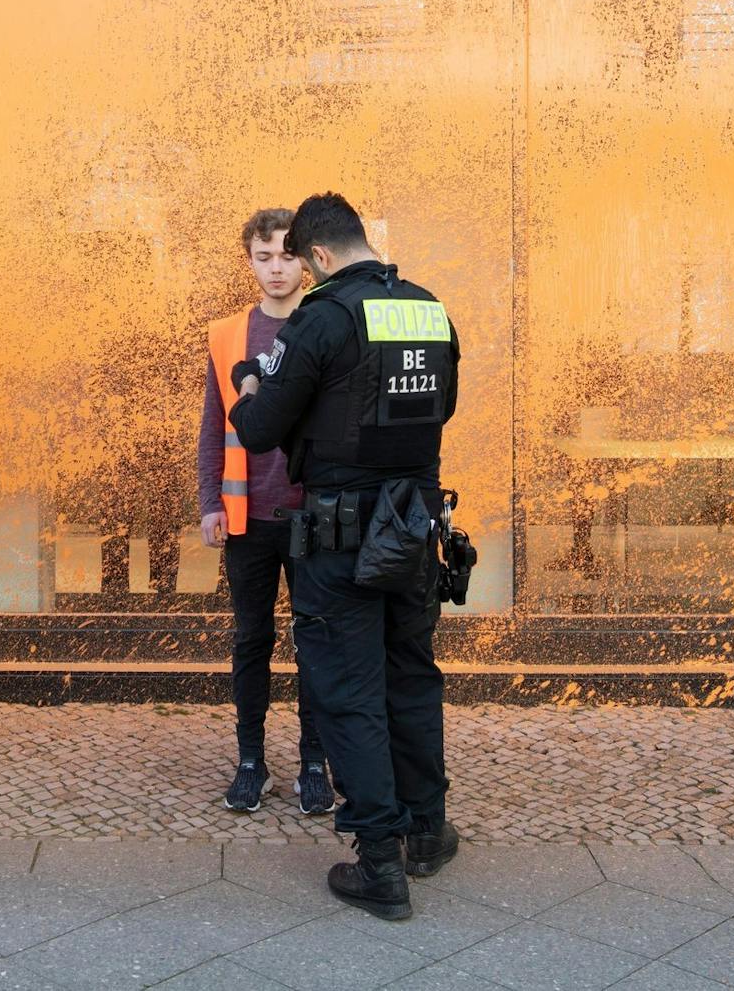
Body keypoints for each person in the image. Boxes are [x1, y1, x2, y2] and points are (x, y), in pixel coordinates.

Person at [228, 192, 461, 921]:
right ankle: (426, 829)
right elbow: (442, 405)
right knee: (412, 675)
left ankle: (381, 863)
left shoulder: (320, 319)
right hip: (416, 527)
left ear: (319, 256)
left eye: (300, 260)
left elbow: (262, 429)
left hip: (339, 536)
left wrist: (248, 385)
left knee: (350, 689)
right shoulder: (429, 308)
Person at [199, 208, 334, 816]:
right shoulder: (227, 333)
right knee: (252, 638)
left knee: (317, 644)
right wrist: (208, 503)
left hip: (313, 517)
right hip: (247, 516)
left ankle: (313, 762)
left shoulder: (327, 325)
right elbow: (211, 428)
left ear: (307, 260)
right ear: (249, 260)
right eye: (264, 256)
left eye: (286, 255)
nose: (276, 268)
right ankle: (250, 760)